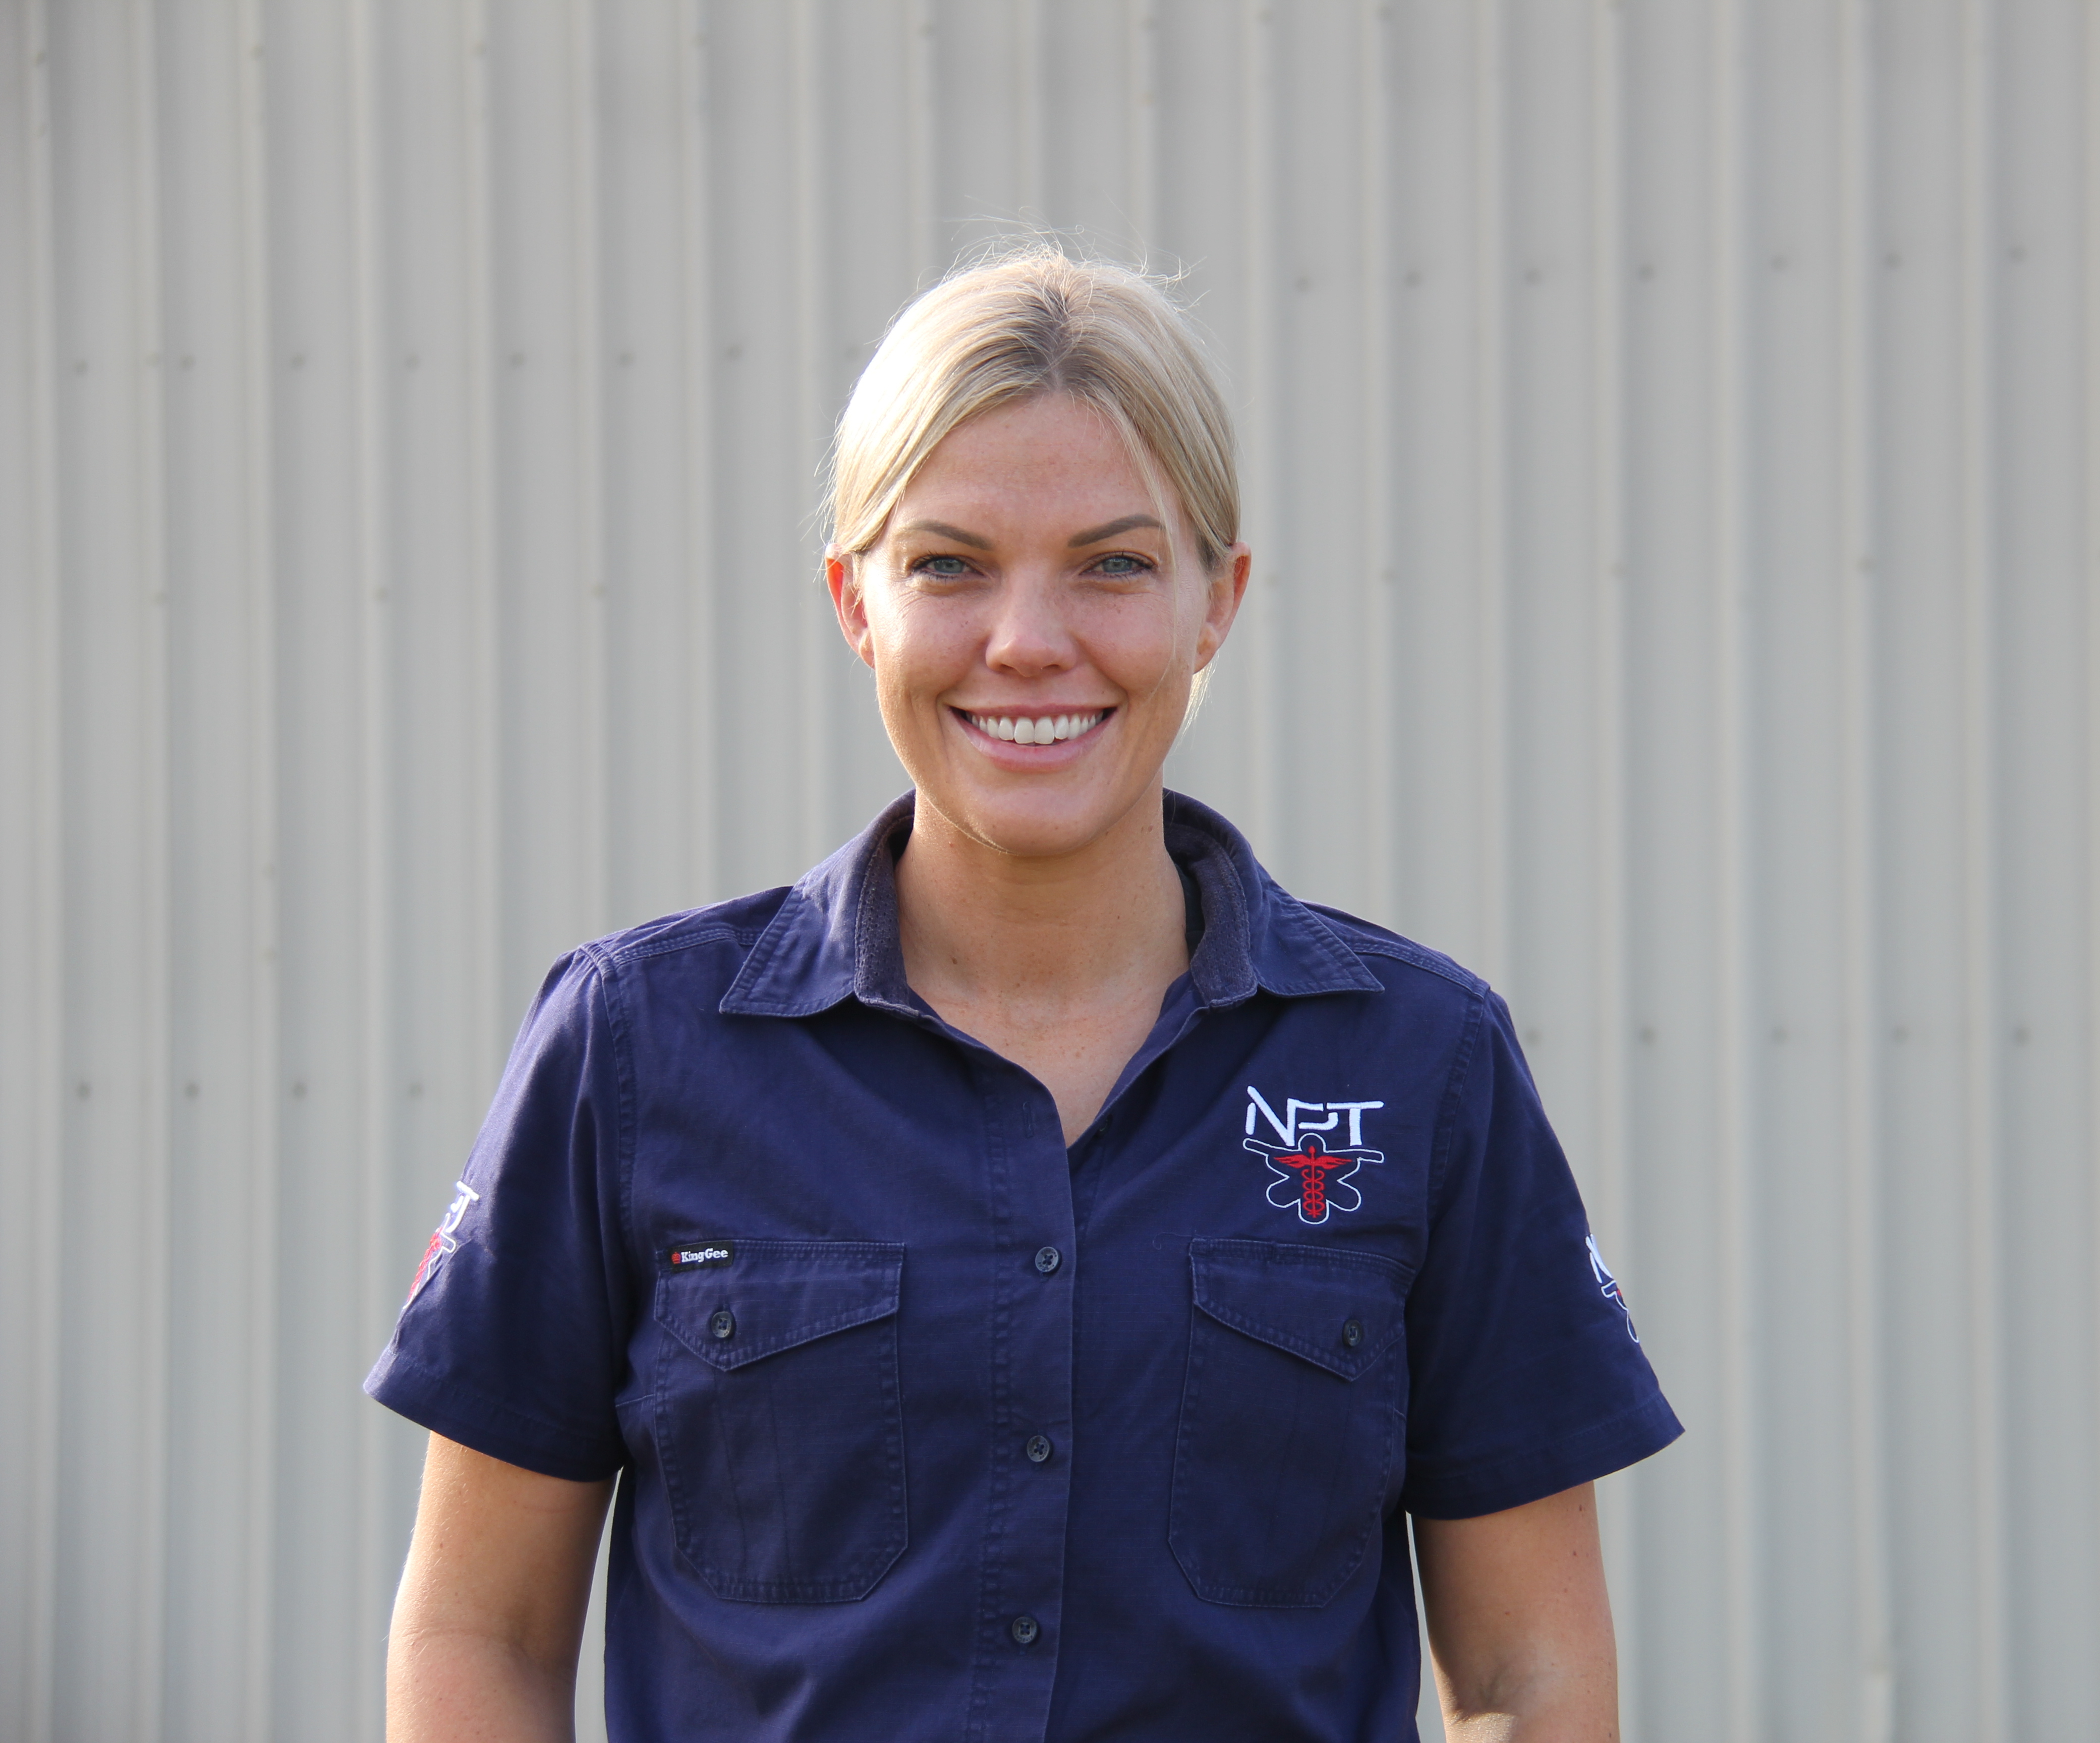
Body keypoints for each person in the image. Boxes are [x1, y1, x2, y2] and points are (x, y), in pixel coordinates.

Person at [368, 245, 1679, 1742]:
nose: (1029, 643)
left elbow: (1527, 1676)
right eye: (949, 565)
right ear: (855, 602)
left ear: (1218, 602)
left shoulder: (1421, 1063)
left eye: (1114, 564)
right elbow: (480, 1632)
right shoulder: (634, 1048)